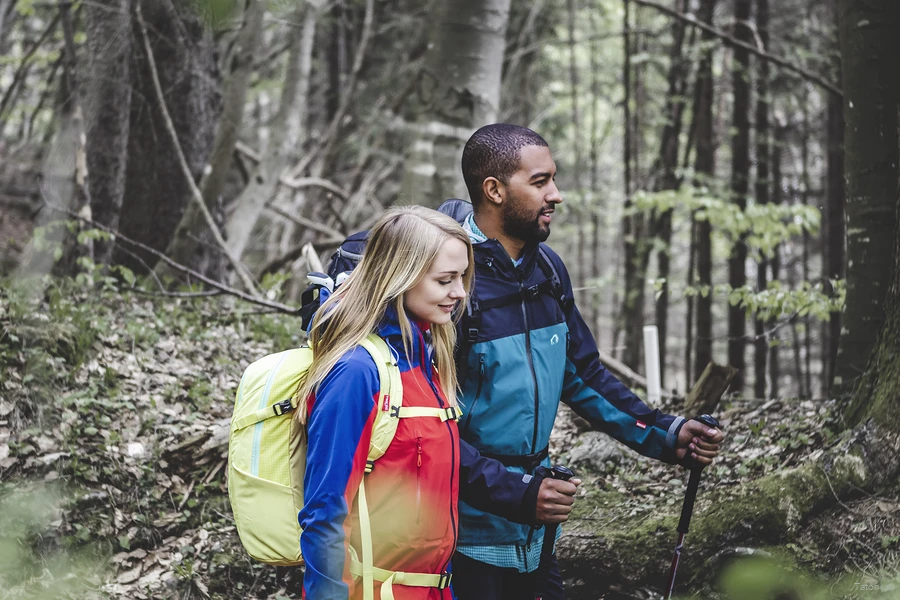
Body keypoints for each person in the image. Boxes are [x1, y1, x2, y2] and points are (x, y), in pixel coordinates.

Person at [449, 124, 725, 599]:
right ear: (493, 190)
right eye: (539, 182)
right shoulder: (449, 283)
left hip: (537, 529)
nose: (555, 195)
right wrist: (515, 493)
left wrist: (666, 433)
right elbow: (428, 430)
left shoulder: (548, 270)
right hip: (462, 536)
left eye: (553, 179)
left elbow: (583, 377)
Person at [295, 206, 580, 600]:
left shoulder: (427, 359)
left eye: (463, 277)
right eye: (445, 280)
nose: (461, 292)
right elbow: (324, 516)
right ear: (400, 278)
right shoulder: (356, 373)